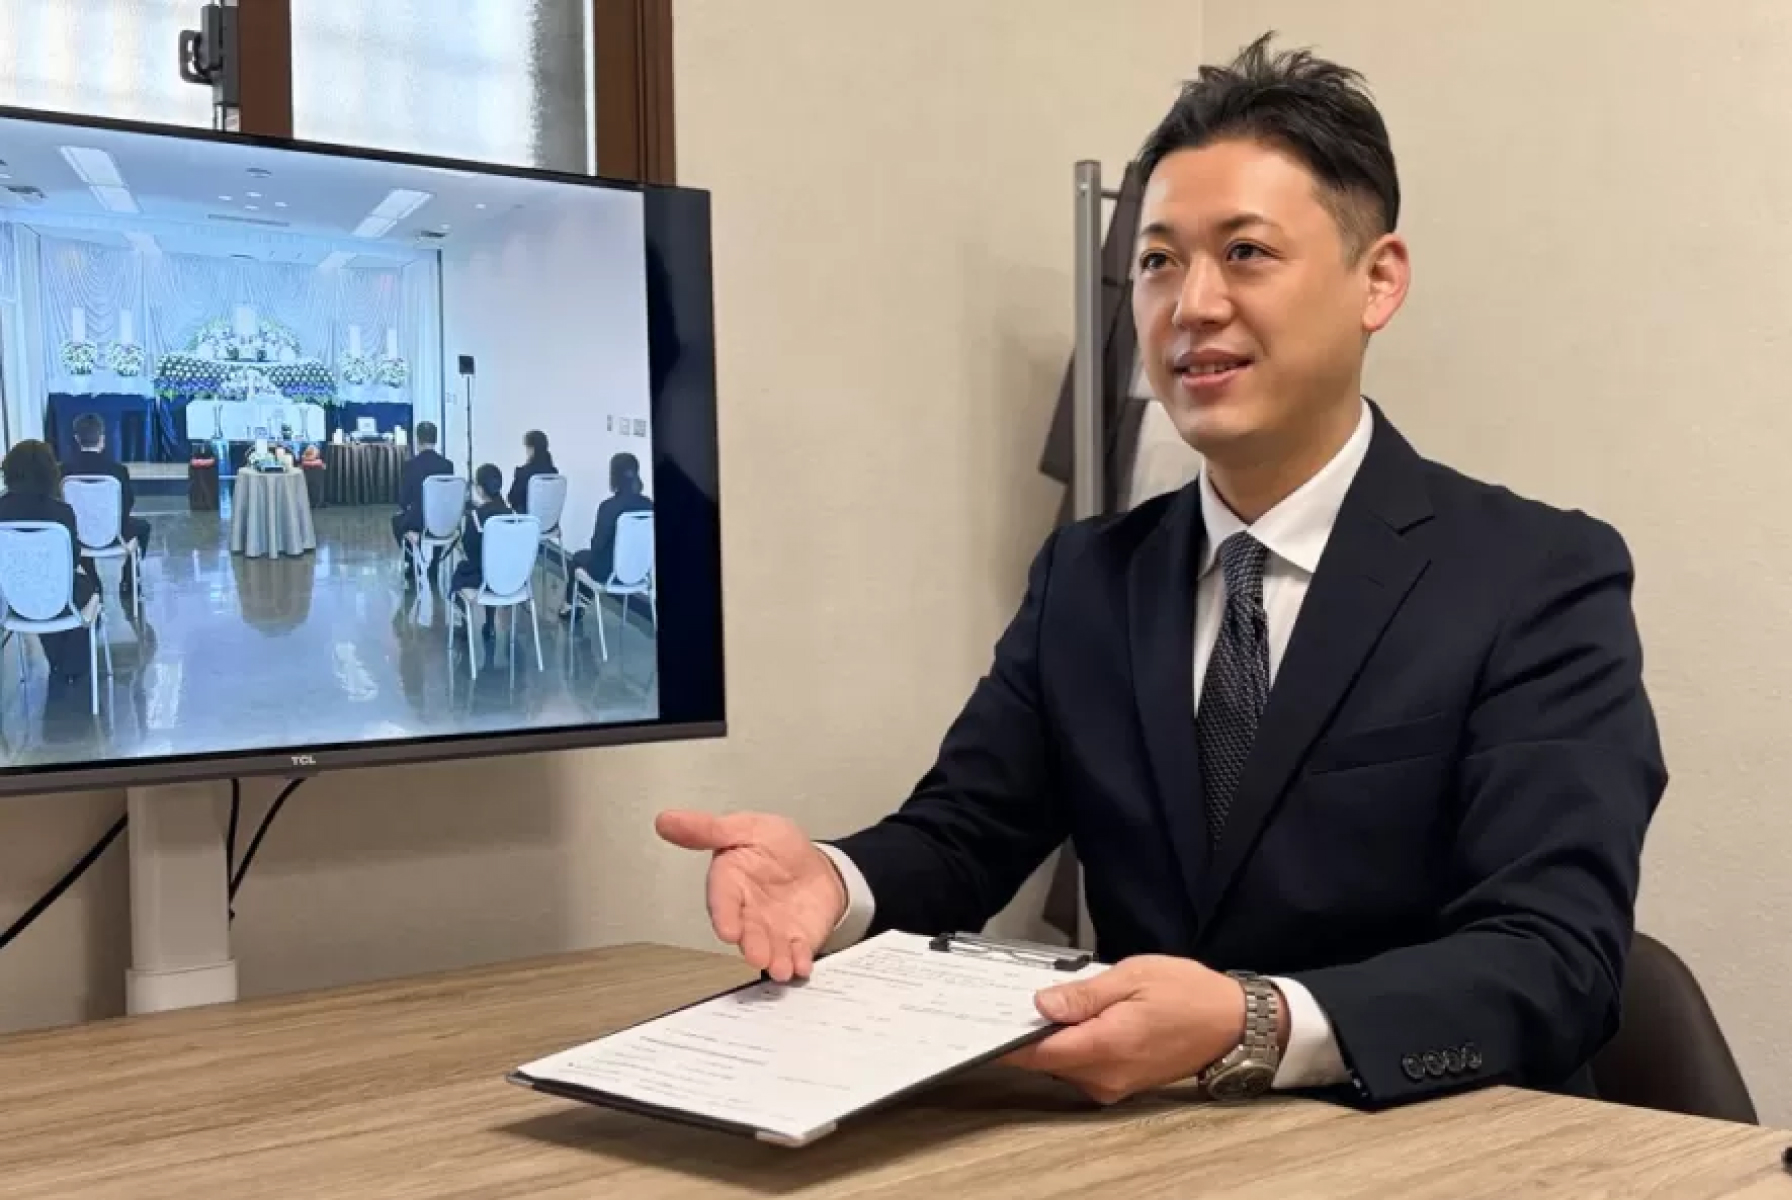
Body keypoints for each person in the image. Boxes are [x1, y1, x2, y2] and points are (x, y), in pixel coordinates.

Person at [655, 34, 1665, 1113]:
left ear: (1377, 281)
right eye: (1157, 262)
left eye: (1246, 252)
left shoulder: (1534, 578)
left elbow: (1554, 957)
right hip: (1148, 1147)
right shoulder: (1090, 577)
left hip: (1441, 1148)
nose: (1191, 305)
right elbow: (964, 836)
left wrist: (1255, 1023)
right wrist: (834, 879)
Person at [0, 440, 98, 680]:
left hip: (11, 599)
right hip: (58, 598)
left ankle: (57, 660)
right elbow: (72, 560)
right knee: (87, 587)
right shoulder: (61, 512)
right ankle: (72, 667)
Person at [61, 413, 150, 595]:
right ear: (102, 438)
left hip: (78, 537)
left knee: (79, 528)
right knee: (144, 527)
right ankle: (129, 579)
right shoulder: (117, 470)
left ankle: (93, 580)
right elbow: (127, 504)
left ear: (77, 439)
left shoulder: (64, 471)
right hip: (115, 535)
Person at [563, 451, 652, 613]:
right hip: (640, 573)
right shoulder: (649, 506)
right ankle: (581, 601)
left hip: (610, 573)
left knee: (579, 558)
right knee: (590, 561)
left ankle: (571, 606)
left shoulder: (609, 507)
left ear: (614, 477)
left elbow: (597, 546)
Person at [449, 463, 512, 642]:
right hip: (511, 578)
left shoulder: (476, 516)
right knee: (492, 566)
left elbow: (469, 551)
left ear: (480, 489)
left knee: (461, 572)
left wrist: (459, 545)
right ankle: (489, 624)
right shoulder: (513, 515)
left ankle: (465, 626)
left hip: (485, 580)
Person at [391, 421, 454, 575]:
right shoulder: (448, 465)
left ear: (417, 440)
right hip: (442, 522)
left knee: (397, 521)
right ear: (436, 440)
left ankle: (413, 562)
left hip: (419, 522)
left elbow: (403, 501)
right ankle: (434, 563)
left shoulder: (410, 465)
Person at [507, 429, 557, 514]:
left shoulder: (524, 472)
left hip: (528, 519)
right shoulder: (554, 473)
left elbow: (512, 499)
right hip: (550, 520)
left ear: (532, 449)